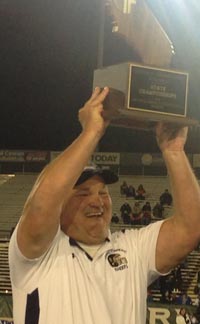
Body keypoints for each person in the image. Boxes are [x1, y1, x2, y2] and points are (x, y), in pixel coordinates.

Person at [9, 87, 200, 324]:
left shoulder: (133, 248)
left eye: (103, 192)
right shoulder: (37, 254)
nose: (96, 200)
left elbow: (190, 228)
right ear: (60, 204)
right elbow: (41, 204)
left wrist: (174, 152)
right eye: (83, 193)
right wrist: (91, 133)